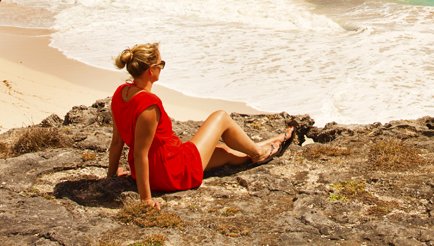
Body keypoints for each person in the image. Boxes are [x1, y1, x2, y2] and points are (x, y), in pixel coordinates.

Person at [107, 42, 294, 208]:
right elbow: (141, 153)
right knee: (220, 117)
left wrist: (112, 175)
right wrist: (146, 199)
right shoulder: (148, 104)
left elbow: (116, 142)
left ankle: (267, 144)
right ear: (151, 70)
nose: (162, 68)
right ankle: (259, 152)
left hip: (157, 168)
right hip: (171, 169)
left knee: (222, 152)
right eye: (161, 64)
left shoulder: (120, 94)